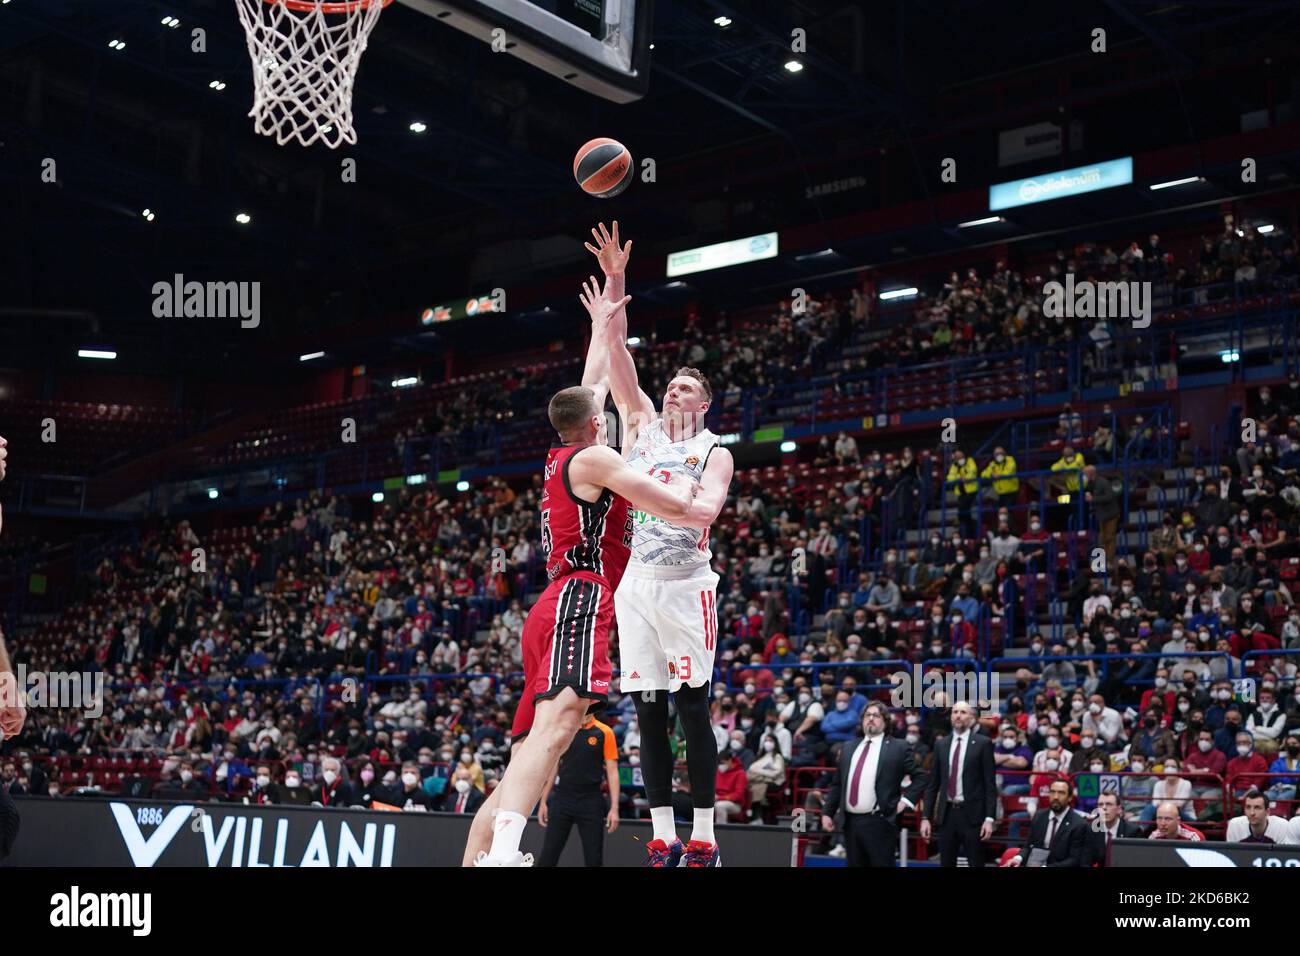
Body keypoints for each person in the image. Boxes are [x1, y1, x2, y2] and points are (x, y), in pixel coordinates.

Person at [469, 270, 696, 867]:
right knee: (561, 722)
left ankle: (478, 858)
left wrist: (606, 316)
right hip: (580, 593)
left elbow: (592, 379)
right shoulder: (597, 456)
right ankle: (506, 855)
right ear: (596, 423)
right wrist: (700, 500)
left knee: (531, 752)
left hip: (552, 603)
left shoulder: (562, 450)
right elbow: (668, 504)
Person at [597, 222, 736, 869]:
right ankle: (662, 833)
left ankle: (704, 832)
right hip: (637, 588)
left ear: (705, 403)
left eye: (687, 387)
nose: (674, 389)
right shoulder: (644, 425)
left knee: (691, 707)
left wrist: (666, 502)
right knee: (647, 710)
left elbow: (706, 512)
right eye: (671, 383)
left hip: (685, 587)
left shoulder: (714, 449)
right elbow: (618, 353)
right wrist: (618, 283)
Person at [820, 702, 928, 867]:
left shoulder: (898, 747)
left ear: (885, 722)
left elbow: (921, 777)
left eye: (876, 716)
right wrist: (827, 812)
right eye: (867, 715)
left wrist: (906, 802)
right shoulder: (848, 747)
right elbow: (837, 784)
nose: (871, 719)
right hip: (850, 822)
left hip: (880, 821)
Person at [920, 701, 997, 867]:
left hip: (973, 816)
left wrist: (990, 818)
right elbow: (933, 785)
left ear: (972, 718)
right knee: (946, 863)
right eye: (955, 712)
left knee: (976, 862)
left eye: (963, 712)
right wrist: (926, 817)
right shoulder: (941, 744)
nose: (958, 716)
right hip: (946, 815)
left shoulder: (983, 743)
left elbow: (990, 785)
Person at [537, 713, 620, 867]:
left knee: (593, 858)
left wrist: (614, 808)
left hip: (591, 799)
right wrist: (543, 801)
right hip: (563, 797)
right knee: (548, 855)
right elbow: (553, 767)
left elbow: (612, 771)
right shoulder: (565, 729)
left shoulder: (605, 732)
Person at [1004, 777, 1086, 867]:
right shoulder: (1039, 816)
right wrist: (1018, 859)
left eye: (1061, 793)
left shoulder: (1079, 824)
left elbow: (1074, 860)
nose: (1056, 797)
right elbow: (1028, 846)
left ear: (1070, 797)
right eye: (1052, 792)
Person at [1086, 791, 1141, 866]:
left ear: (1119, 809)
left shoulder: (1133, 831)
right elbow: (1085, 861)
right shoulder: (1091, 829)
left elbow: (1136, 862)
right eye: (1100, 804)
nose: (1104, 808)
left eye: (1109, 804)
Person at [1225, 789, 1289, 843]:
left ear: (1267, 812)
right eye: (1248, 807)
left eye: (1257, 807)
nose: (1252, 813)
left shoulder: (1282, 826)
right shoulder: (1234, 825)